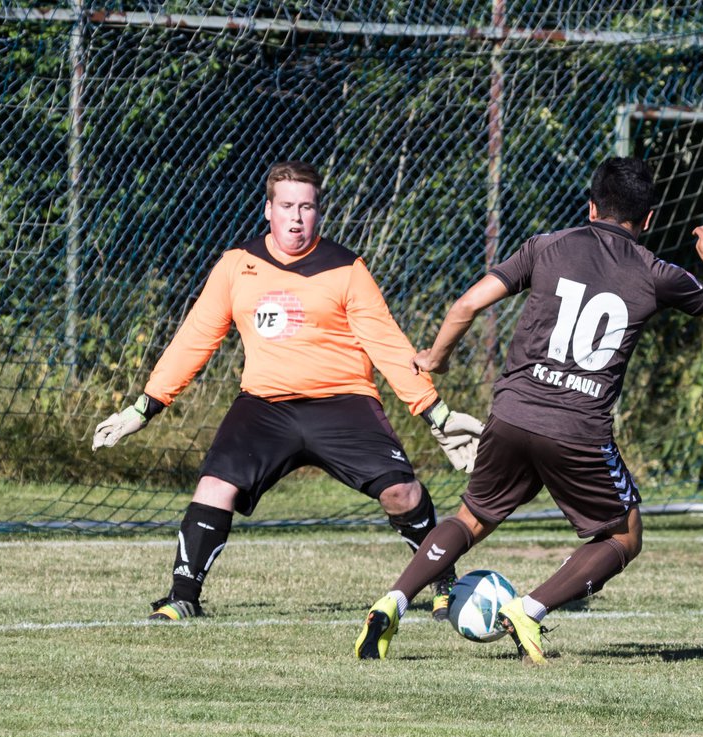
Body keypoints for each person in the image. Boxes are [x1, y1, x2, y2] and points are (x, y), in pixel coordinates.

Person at [354, 156, 703, 663]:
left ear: (590, 207)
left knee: (471, 517)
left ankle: (394, 600)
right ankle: (530, 609)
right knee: (625, 534)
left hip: (513, 414)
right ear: (648, 220)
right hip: (578, 429)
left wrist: (436, 358)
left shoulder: (547, 246)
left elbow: (468, 305)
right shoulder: (655, 272)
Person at [91, 160, 482, 621]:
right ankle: (182, 597)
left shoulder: (346, 269)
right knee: (215, 486)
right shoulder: (238, 265)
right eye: (287, 206)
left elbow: (388, 346)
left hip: (344, 403)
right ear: (268, 209)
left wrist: (435, 412)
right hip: (265, 406)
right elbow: (194, 339)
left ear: (318, 212)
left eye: (307, 207)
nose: (297, 218)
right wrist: (144, 407)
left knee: (402, 493)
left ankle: (443, 580)